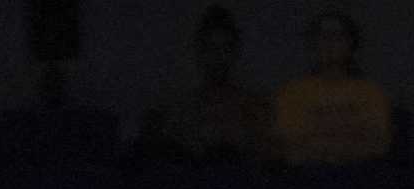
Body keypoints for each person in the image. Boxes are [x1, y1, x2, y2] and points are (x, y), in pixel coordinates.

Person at [271, 10, 392, 165]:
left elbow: (379, 144)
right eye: (323, 36)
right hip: (306, 176)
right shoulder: (292, 93)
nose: (330, 42)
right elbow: (288, 145)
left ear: (352, 43)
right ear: (312, 43)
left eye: (338, 36)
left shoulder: (371, 93)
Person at [152, 4, 271, 160]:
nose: (218, 57)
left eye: (225, 49)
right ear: (200, 52)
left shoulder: (253, 108)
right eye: (212, 48)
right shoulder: (181, 110)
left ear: (235, 53)